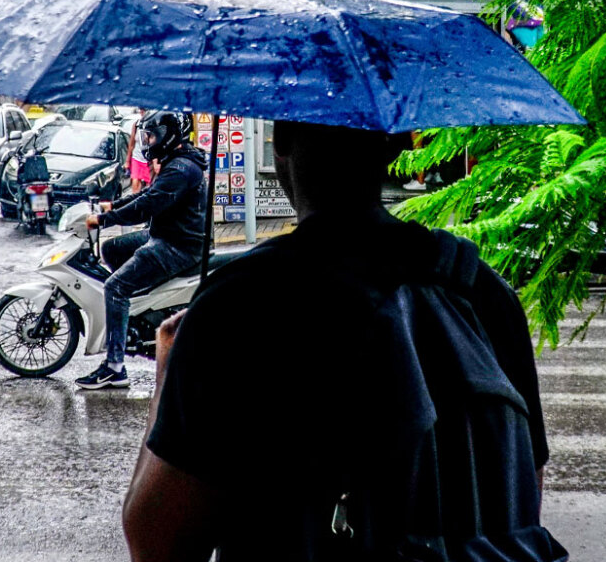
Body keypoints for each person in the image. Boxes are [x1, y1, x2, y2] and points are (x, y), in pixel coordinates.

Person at [122, 121, 560, 560]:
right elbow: (523, 495)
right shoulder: (483, 293)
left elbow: (157, 546)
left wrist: (166, 378)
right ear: (398, 144)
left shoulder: (242, 304)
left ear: (282, 140)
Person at [74, 111, 206, 390]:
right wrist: (114, 205)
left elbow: (147, 207)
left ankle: (114, 368)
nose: (147, 142)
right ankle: (134, 310)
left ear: (168, 135)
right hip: (166, 234)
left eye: (152, 136)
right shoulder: (175, 161)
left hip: (177, 245)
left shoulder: (181, 169)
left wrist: (105, 219)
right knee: (111, 248)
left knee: (115, 287)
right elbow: (147, 194)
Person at [125, 114, 153, 194]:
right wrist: (127, 161)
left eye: (144, 110)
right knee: (135, 183)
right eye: (141, 109)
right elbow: (131, 144)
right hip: (136, 158)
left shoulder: (153, 124)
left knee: (150, 186)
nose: (142, 112)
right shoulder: (137, 124)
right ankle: (135, 200)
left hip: (148, 161)